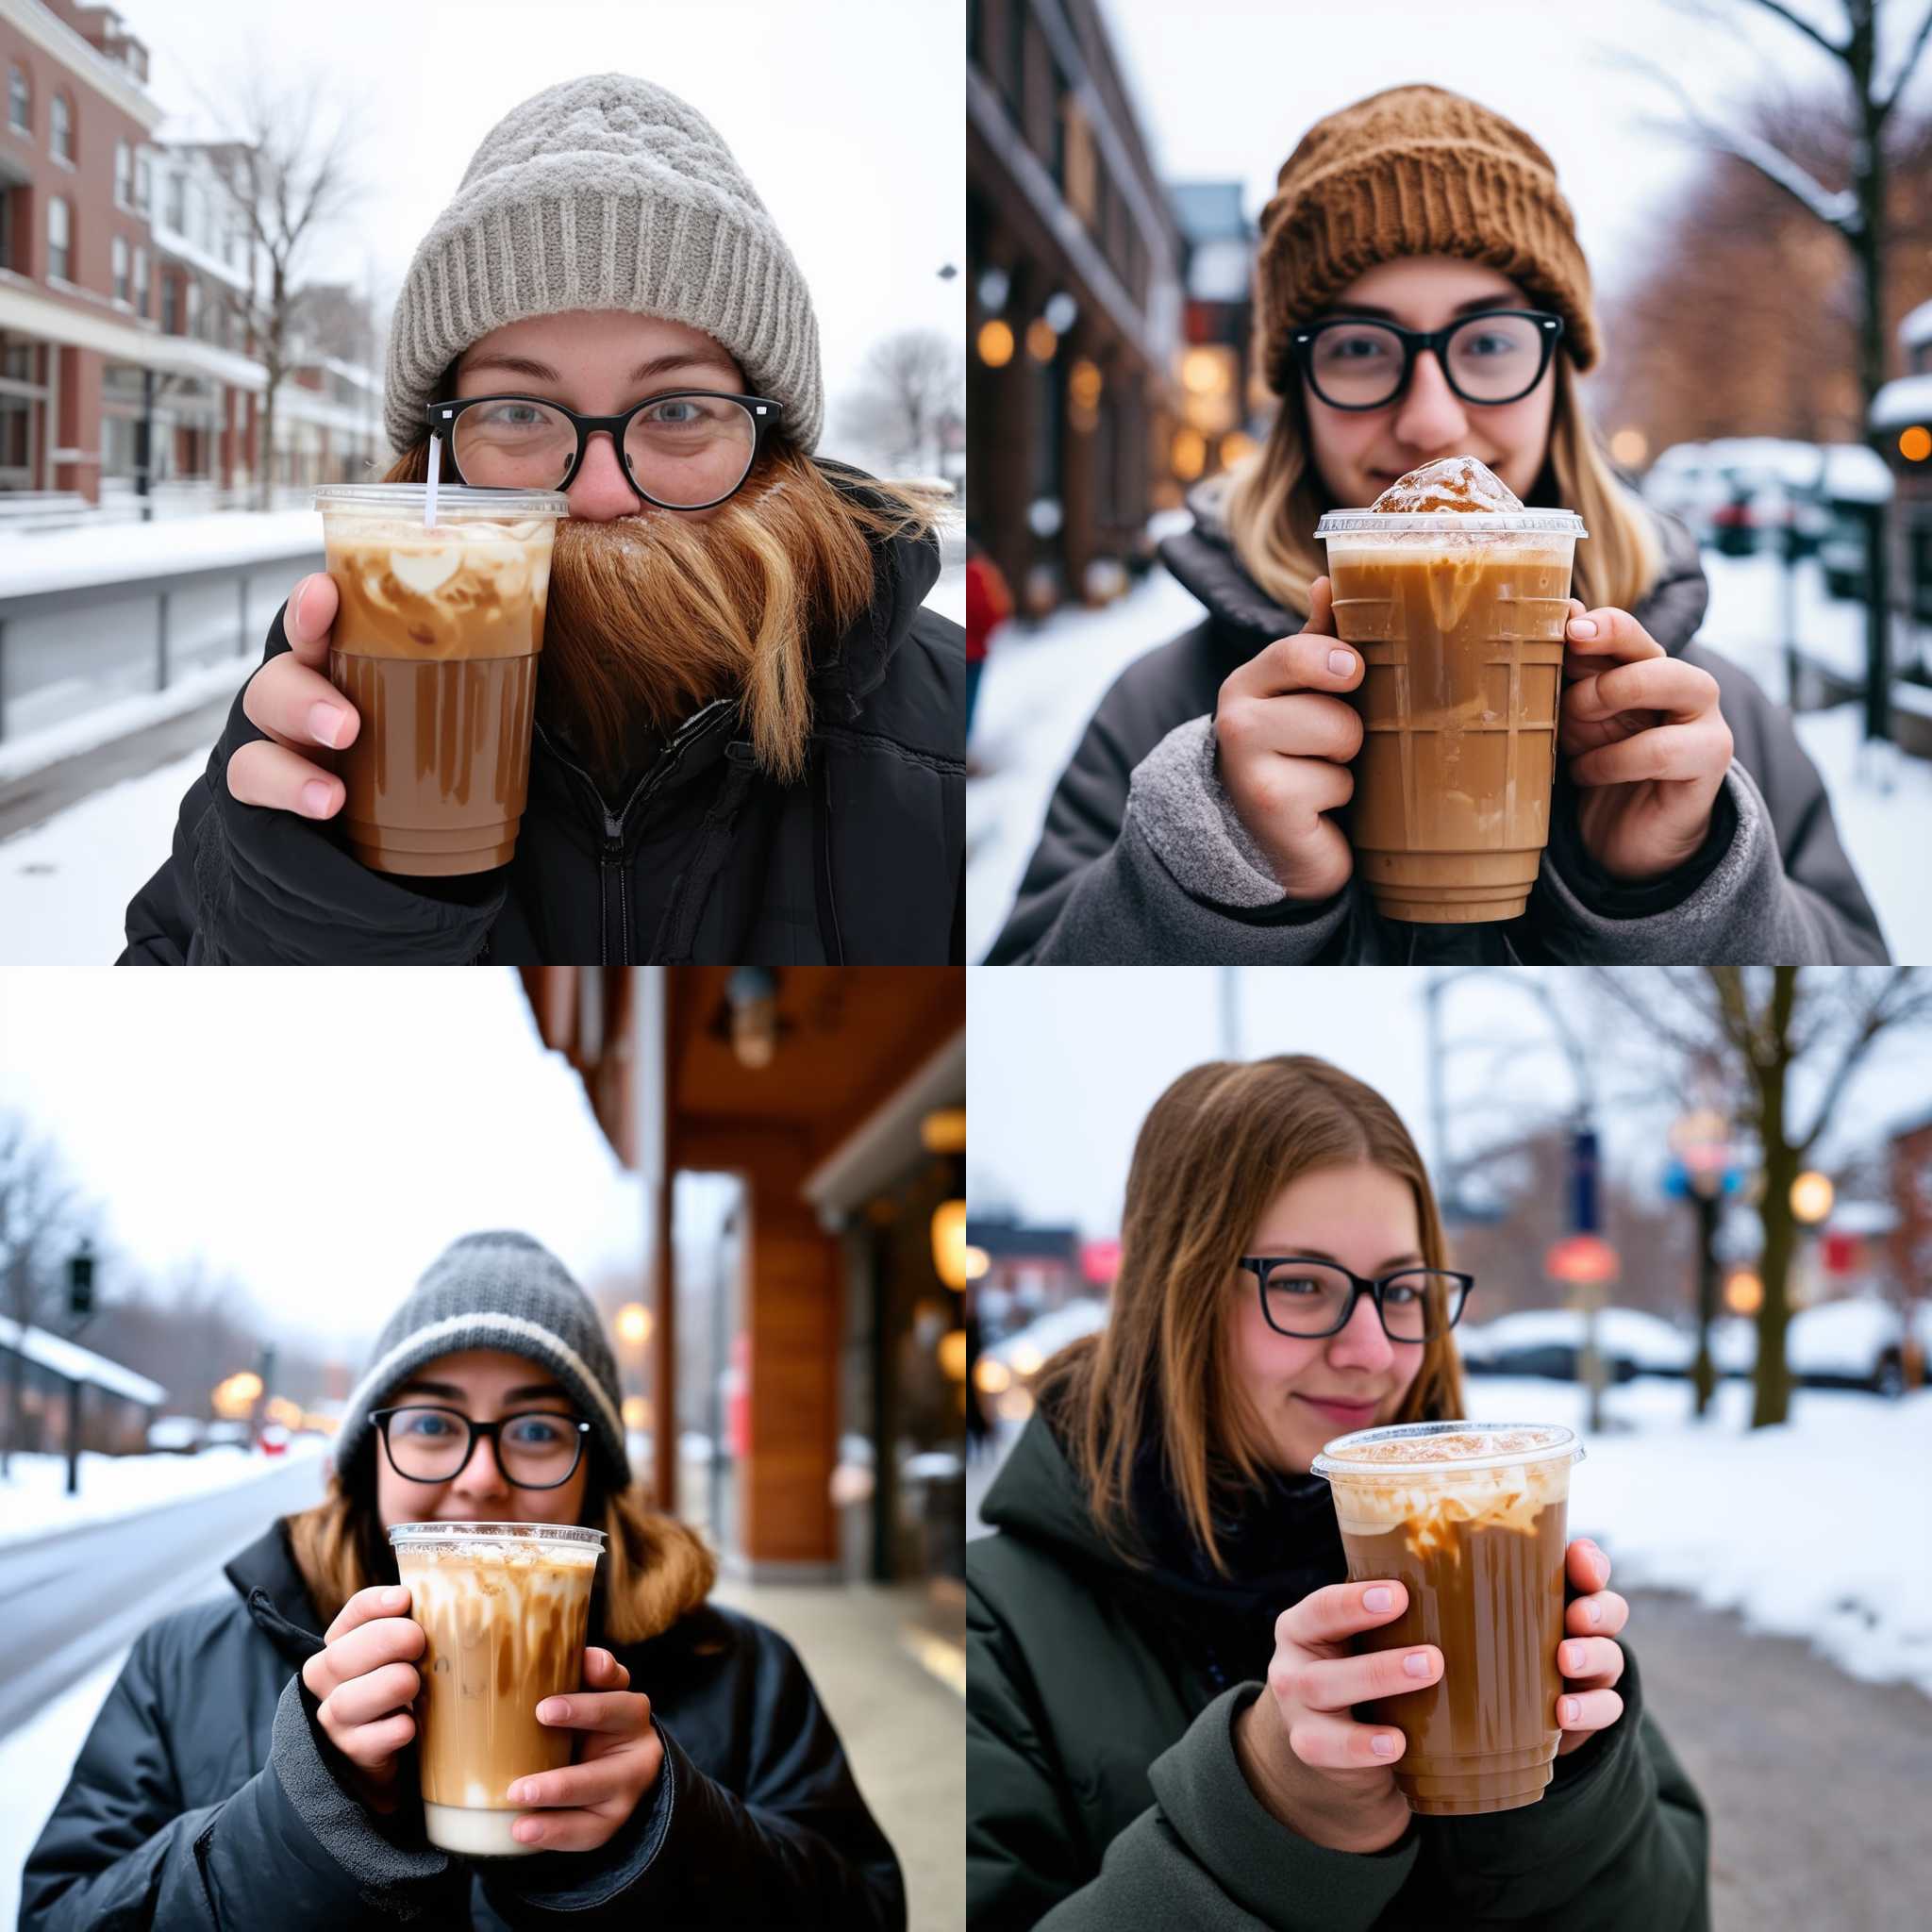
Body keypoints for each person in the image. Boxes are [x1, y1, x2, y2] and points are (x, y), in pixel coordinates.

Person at [987, 85, 1885, 966]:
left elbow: (1851, 955)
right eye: (1361, 348)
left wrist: (1679, 886)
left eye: (1488, 342)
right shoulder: (1161, 714)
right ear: (1297, 392)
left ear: (1559, 374)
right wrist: (1209, 871)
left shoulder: (1707, 721)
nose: (1430, 421)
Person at [121, 74, 964, 966]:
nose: (599, 492)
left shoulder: (942, 736)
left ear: (772, 443)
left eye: (676, 411)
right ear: (435, 457)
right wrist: (301, 921)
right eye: (521, 413)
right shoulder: (309, 742)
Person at [967, 1057, 1709, 1928]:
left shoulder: (1501, 1561)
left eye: (1401, 1290)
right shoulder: (996, 1627)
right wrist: (1270, 1817)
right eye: (1302, 1285)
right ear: (1177, 1292)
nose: (1373, 1351)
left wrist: (1567, 1783)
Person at [23, 1231, 904, 1930]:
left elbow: (867, 1911)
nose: (481, 1476)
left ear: (595, 1477)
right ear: (368, 1456)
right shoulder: (186, 1666)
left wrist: (670, 1840)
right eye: (436, 1422)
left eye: (534, 1433)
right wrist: (303, 1822)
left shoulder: (742, 1671)